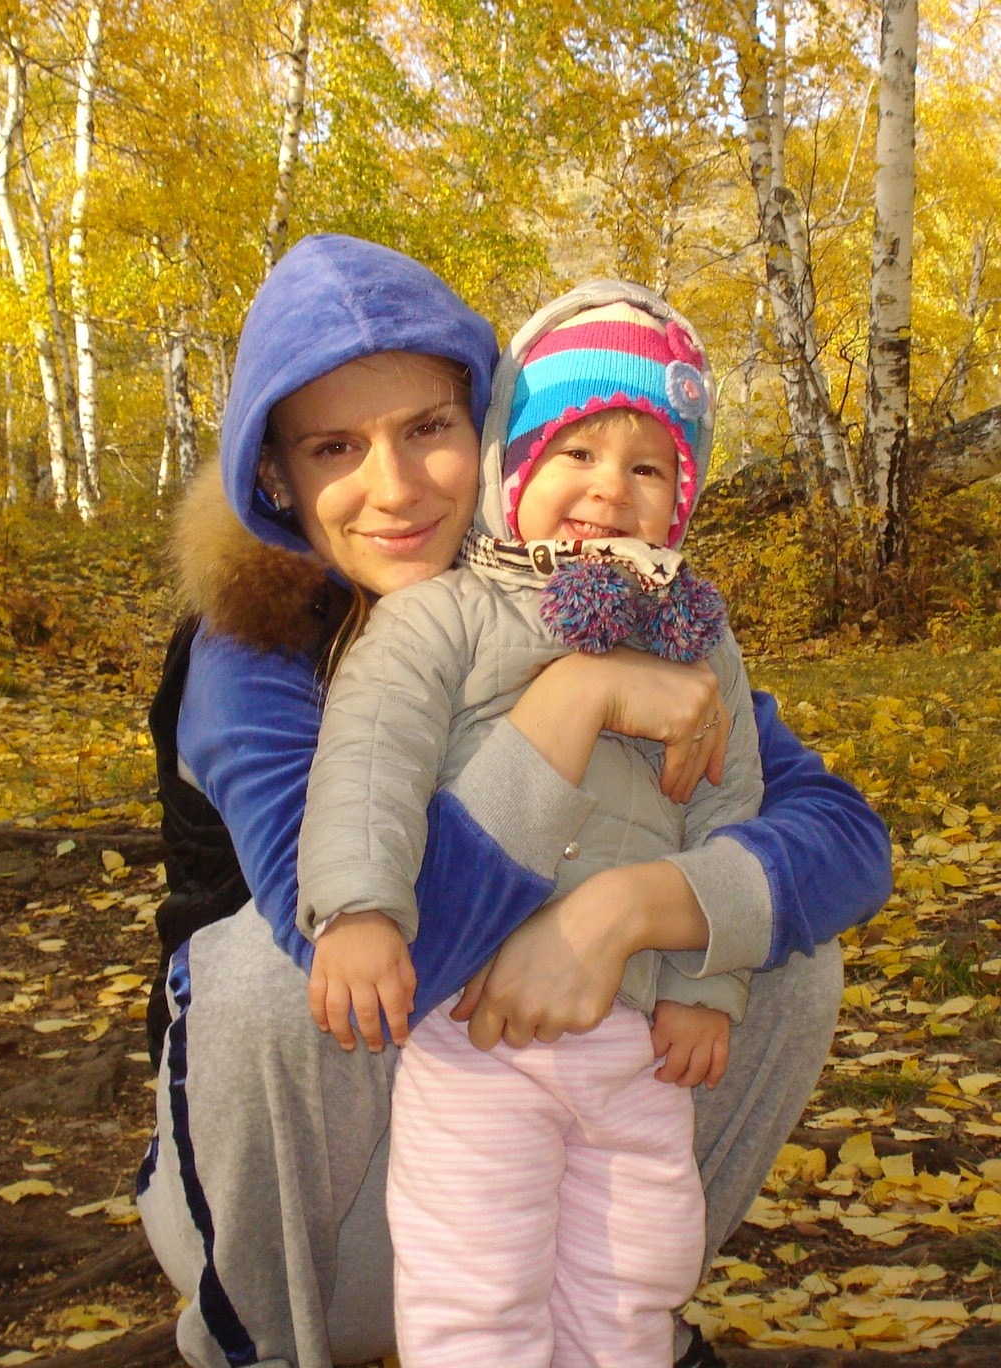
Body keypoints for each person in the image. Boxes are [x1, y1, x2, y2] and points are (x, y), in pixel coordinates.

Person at [136, 233, 893, 1368]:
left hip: (560, 1153)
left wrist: (629, 911)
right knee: (272, 971)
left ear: (490, 431)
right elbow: (384, 945)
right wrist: (572, 703)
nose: (395, 488)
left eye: (427, 429)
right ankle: (261, 1343)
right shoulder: (251, 652)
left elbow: (845, 837)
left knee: (778, 940)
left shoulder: (581, 586)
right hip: (328, 1219)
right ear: (278, 477)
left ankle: (619, 1314)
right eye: (335, 447)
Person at [291, 285, 765, 1367]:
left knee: (636, 1273)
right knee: (477, 1283)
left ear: (683, 497)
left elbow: (731, 807)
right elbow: (368, 764)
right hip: (478, 1039)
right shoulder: (443, 618)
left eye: (648, 468)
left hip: (635, 1043)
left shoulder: (698, 640)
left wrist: (708, 986)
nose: (608, 488)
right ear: (513, 465)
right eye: (577, 453)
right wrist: (359, 910)